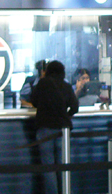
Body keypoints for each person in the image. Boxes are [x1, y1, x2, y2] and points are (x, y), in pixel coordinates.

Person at [31, 60, 79, 194]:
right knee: (62, 166)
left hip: (45, 129)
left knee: (48, 167)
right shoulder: (66, 86)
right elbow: (75, 107)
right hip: (62, 130)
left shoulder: (42, 83)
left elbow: (33, 102)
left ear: (47, 71)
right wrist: (67, 115)